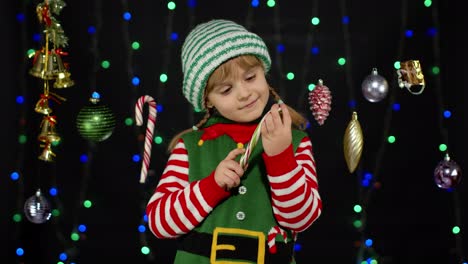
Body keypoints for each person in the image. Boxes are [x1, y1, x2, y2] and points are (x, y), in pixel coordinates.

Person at [146, 19, 322, 264]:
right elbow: (159, 223)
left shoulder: (294, 141)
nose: (244, 93)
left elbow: (301, 218)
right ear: (208, 101)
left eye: (250, 77)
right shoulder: (189, 147)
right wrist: (211, 186)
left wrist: (281, 158)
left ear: (264, 72)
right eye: (226, 90)